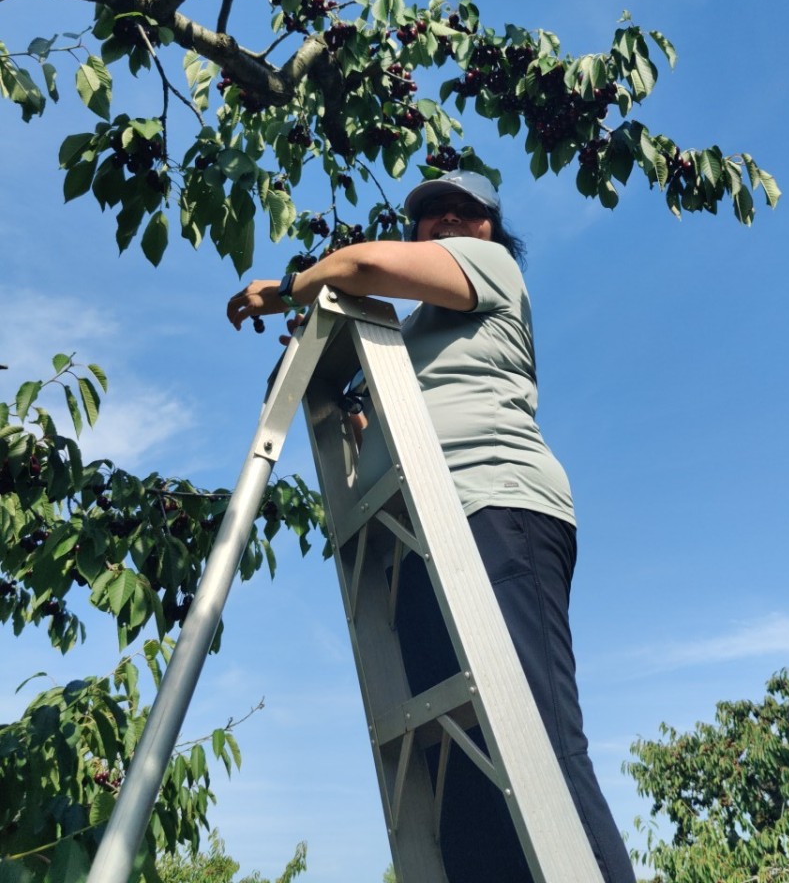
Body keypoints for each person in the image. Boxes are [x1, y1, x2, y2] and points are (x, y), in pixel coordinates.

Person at [226, 171, 635, 883]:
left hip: (494, 505)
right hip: (417, 536)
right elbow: (382, 430)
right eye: (430, 213)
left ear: (490, 230)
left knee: (537, 742)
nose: (445, 219)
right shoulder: (408, 337)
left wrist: (291, 287)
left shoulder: (491, 267)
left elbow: (360, 266)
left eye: (464, 211)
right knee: (458, 769)